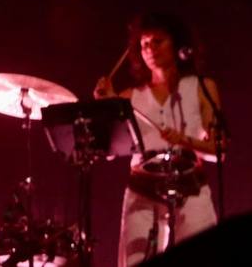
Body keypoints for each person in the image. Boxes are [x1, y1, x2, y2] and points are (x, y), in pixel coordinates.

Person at [93, 13, 224, 264]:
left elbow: (220, 150)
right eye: (144, 44)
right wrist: (107, 108)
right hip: (142, 190)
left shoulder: (201, 86)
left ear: (176, 44)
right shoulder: (129, 96)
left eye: (158, 41)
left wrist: (186, 140)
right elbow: (109, 152)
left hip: (191, 187)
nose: (150, 49)